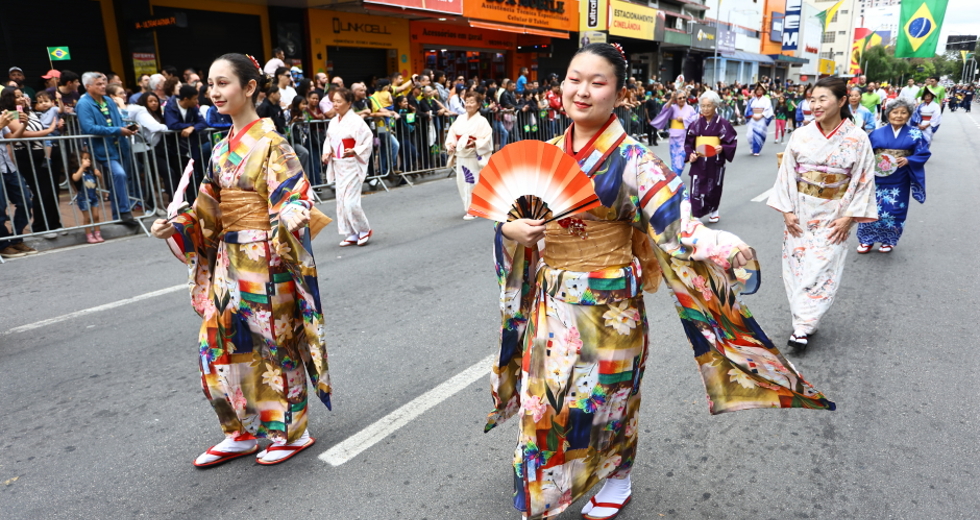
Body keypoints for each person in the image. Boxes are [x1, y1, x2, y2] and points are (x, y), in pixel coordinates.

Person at [491, 43, 834, 520]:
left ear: (620, 94)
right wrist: (510, 230)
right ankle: (548, 482)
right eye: (574, 79)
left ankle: (617, 475)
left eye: (597, 82)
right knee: (544, 400)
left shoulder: (636, 161)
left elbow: (678, 227)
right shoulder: (543, 155)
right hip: (552, 302)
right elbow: (507, 216)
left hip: (609, 307)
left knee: (607, 400)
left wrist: (724, 248)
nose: (582, 91)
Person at [150, 53, 331, 468]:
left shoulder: (273, 144)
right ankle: (239, 430)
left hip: (266, 257)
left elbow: (293, 193)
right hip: (228, 260)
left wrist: (292, 211)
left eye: (223, 83)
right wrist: (177, 225)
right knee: (215, 343)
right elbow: (207, 209)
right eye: (210, 85)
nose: (213, 92)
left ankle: (291, 432)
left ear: (249, 87)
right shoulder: (219, 150)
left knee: (274, 344)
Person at [767, 76, 878, 350]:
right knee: (796, 266)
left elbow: (864, 180)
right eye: (812, 99)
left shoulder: (857, 138)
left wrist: (849, 218)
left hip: (834, 214)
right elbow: (787, 173)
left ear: (842, 101)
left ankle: (802, 326)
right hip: (801, 211)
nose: (815, 105)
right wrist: (786, 211)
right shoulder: (801, 135)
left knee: (822, 267)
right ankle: (805, 318)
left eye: (822, 99)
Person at [855, 98, 931, 255]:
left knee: (895, 210)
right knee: (871, 208)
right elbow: (866, 154)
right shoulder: (876, 133)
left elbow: (923, 153)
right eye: (895, 112)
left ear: (909, 115)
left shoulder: (915, 134)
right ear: (888, 114)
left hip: (900, 178)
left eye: (903, 112)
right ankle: (866, 239)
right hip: (877, 178)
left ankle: (888, 240)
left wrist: (909, 160)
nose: (899, 115)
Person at [75, 72, 138, 224]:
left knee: (117, 180)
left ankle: (118, 216)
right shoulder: (83, 104)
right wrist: (118, 130)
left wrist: (127, 128)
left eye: (104, 83)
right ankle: (125, 211)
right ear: (88, 86)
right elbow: (89, 128)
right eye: (99, 84)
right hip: (101, 148)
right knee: (119, 174)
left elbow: (118, 121)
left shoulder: (108, 100)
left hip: (119, 146)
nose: (103, 86)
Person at [321, 87, 373, 247]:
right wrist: (326, 152)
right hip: (339, 165)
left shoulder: (357, 121)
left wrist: (355, 150)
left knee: (351, 202)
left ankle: (364, 229)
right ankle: (351, 233)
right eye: (334, 101)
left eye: (339, 101)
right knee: (341, 201)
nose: (335, 105)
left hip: (352, 164)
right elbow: (329, 140)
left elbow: (367, 139)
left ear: (349, 103)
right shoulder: (333, 122)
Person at [684, 90, 737, 223]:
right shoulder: (695, 124)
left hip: (715, 161)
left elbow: (731, 140)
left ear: (715, 106)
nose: (705, 109)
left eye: (708, 106)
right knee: (696, 186)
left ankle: (714, 210)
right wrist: (690, 154)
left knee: (714, 186)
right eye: (703, 106)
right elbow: (688, 143)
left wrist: (723, 148)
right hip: (699, 160)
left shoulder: (723, 124)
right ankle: (696, 214)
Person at [444, 90, 492, 220]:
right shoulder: (460, 118)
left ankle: (473, 208)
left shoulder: (482, 121)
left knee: (472, 181)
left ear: (478, 105)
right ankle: (471, 206)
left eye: (472, 102)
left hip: (473, 155)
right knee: (462, 182)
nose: (468, 104)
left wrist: (475, 143)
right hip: (461, 154)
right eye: (467, 101)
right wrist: (451, 144)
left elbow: (487, 138)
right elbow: (452, 134)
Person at [0, 110, 38, 257]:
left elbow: (11, 140)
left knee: (25, 202)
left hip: (8, 167)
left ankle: (16, 239)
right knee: (0, 209)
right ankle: (3, 245)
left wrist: (24, 125)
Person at [650, 89, 697, 174]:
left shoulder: (690, 108)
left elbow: (695, 119)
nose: (682, 99)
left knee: (683, 156)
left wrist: (684, 119)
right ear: (676, 99)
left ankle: (676, 174)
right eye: (680, 98)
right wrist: (671, 99)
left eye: (684, 97)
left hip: (685, 136)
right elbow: (664, 110)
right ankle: (675, 175)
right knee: (675, 158)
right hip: (674, 137)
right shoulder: (673, 107)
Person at [72, 151, 104, 243]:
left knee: (96, 216)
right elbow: (75, 178)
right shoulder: (77, 170)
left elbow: (98, 183)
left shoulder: (91, 171)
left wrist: (99, 176)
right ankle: (89, 235)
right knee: (88, 218)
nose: (88, 160)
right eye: (85, 158)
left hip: (93, 196)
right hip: (83, 198)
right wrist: (82, 167)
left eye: (89, 158)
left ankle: (98, 234)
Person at [744, 84, 773, 156]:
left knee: (759, 134)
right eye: (758, 90)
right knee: (749, 135)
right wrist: (752, 115)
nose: (759, 91)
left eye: (761, 90)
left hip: (761, 118)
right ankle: (752, 147)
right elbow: (748, 109)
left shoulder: (766, 100)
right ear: (755, 91)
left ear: (763, 91)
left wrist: (761, 115)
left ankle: (756, 150)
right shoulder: (751, 100)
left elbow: (768, 110)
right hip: (753, 117)